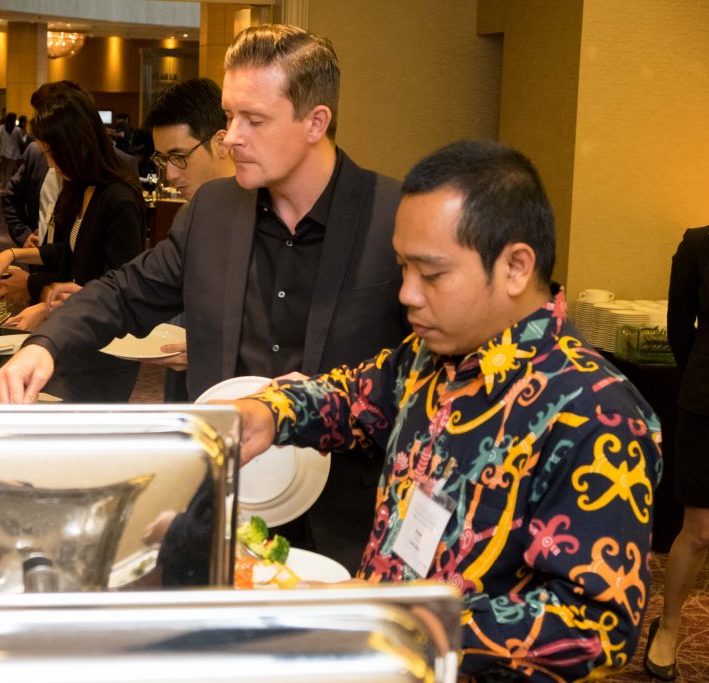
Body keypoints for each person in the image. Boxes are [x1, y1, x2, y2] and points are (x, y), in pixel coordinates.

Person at [226, 139, 663, 681]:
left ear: (516, 266)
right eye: (403, 268)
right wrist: (269, 413)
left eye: (431, 274)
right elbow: (352, 396)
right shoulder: (431, 357)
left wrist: (400, 619)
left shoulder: (595, 413)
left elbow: (594, 628)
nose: (407, 294)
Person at [0, 24, 408, 572]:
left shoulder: (394, 216)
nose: (230, 137)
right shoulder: (213, 211)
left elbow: (428, 371)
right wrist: (46, 345)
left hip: (349, 520)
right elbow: (125, 290)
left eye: (253, 119)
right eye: (229, 115)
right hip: (228, 505)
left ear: (315, 122)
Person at [0, 88, 146, 402]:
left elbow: (118, 287)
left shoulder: (120, 199)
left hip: (106, 348)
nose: (50, 164)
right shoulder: (79, 187)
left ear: (78, 145)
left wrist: (45, 305)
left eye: (52, 153)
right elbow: (70, 253)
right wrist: (13, 253)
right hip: (74, 334)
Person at [141, 77, 236, 401]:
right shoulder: (188, 215)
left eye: (179, 156)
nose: (170, 174)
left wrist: (208, 350)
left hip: (241, 401)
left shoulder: (265, 214)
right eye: (163, 159)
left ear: (221, 142)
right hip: (184, 392)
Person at [645, 225, 709, 680]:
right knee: (701, 530)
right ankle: (668, 626)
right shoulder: (698, 245)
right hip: (706, 403)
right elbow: (679, 329)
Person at [0, 112, 24, 187]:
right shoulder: (17, 130)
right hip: (13, 154)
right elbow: (21, 141)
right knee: (9, 172)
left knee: (3, 171)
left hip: (2, 152)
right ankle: (7, 187)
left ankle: (3, 186)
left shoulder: (1, 127)